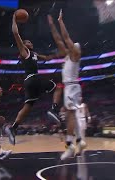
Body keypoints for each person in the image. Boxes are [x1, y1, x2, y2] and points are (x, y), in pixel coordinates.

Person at [6, 11, 64, 145]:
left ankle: (12, 128)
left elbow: (47, 58)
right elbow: (16, 34)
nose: (30, 42)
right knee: (58, 86)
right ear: (24, 45)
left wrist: (57, 55)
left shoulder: (34, 54)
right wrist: (14, 18)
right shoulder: (24, 52)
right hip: (33, 78)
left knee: (28, 107)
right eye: (28, 42)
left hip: (30, 82)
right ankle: (54, 109)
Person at [47, 10, 85, 160]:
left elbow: (65, 37)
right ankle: (80, 141)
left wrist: (60, 21)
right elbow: (58, 39)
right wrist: (51, 25)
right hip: (70, 88)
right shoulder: (68, 56)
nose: (69, 46)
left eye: (72, 46)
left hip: (72, 87)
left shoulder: (75, 55)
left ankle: (70, 146)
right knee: (72, 115)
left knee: (70, 115)